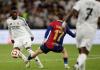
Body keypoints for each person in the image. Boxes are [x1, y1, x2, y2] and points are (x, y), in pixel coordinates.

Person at [62, 0, 100, 70]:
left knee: (80, 51)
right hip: (90, 29)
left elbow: (73, 12)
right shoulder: (98, 4)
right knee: (85, 52)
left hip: (79, 28)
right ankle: (77, 65)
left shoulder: (81, 2)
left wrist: (64, 22)